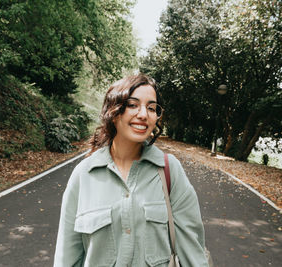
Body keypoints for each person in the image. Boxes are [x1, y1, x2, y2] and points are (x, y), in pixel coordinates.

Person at [54, 73, 209, 266]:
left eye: (151, 108)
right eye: (132, 105)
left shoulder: (170, 171)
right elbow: (67, 257)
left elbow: (193, 253)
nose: (143, 114)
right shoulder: (84, 174)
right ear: (114, 110)